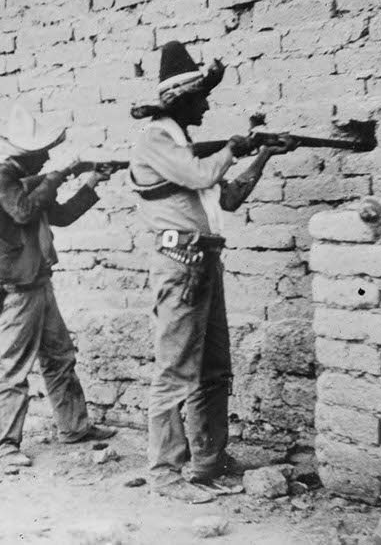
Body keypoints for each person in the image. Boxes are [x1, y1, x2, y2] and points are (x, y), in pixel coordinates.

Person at [129, 41, 295, 503]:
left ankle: (207, 462)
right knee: (175, 372)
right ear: (181, 100)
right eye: (202, 98)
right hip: (180, 265)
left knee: (214, 370)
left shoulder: (182, 144)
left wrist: (261, 155)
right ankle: (165, 473)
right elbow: (204, 177)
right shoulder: (157, 139)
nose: (206, 106)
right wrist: (235, 146)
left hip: (204, 261)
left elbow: (228, 197)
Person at [0, 104, 117, 468]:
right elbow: (24, 211)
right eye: (41, 153)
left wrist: (91, 183)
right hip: (18, 286)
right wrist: (60, 175)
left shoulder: (31, 183)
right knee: (12, 367)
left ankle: (74, 427)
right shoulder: (2, 178)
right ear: (25, 154)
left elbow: (61, 215)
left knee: (60, 357)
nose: (46, 157)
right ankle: (4, 445)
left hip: (39, 281)